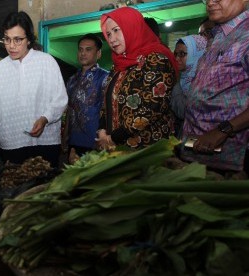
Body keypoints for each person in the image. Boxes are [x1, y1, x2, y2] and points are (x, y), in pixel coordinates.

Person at [0, 11, 68, 168]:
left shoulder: (46, 62)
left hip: (46, 142)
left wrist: (45, 118)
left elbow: (60, 99)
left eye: (18, 40)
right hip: (11, 143)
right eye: (7, 39)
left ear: (28, 39)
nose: (11, 46)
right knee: (13, 189)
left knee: (45, 189)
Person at [180, 0, 249, 174]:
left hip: (230, 161)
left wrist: (224, 130)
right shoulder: (218, 35)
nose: (211, 2)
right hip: (198, 154)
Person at [97, 7, 178, 150]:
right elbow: (107, 102)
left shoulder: (157, 60)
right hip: (115, 148)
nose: (111, 39)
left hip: (146, 150)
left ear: (132, 27)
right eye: (108, 34)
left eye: (116, 30)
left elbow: (152, 108)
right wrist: (102, 130)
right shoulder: (117, 65)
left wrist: (114, 137)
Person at [63, 33, 109, 159]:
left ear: (98, 53)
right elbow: (69, 111)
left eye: (88, 50)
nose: (83, 53)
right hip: (73, 143)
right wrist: (65, 139)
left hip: (95, 143)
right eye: (80, 50)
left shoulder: (106, 78)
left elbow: (108, 112)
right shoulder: (72, 80)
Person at [170, 35, 207, 138]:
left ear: (196, 54)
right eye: (175, 54)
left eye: (182, 54)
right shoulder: (184, 77)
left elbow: (184, 112)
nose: (177, 58)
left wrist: (175, 85)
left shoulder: (202, 80)